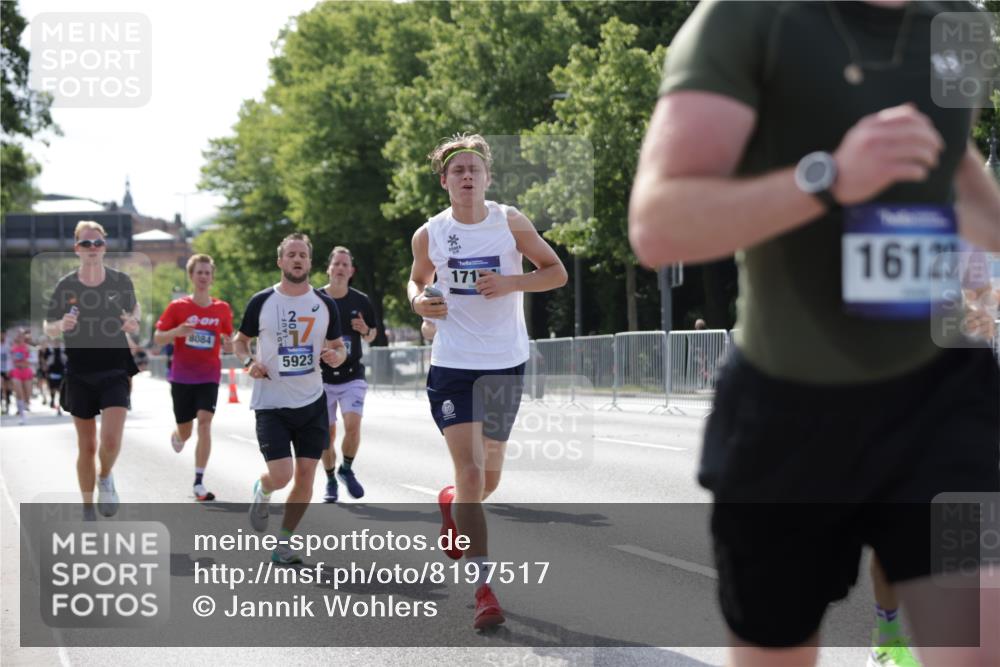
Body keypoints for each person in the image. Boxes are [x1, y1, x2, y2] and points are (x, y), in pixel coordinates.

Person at [630, 2, 1000, 666]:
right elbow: (658, 224)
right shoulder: (748, 19)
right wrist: (831, 176)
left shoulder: (961, 22)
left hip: (941, 398)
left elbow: (958, 174)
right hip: (788, 413)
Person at [408, 133, 567, 629]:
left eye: (475, 168)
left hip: (505, 362)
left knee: (488, 477)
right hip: (453, 364)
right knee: (473, 471)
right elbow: (416, 278)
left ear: (488, 178)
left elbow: (556, 272)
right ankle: (484, 589)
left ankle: (451, 504)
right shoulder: (429, 233)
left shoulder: (509, 222)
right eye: (458, 170)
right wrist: (418, 301)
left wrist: (512, 283)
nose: (468, 176)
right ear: (445, 182)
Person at [234, 232, 347, 564]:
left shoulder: (325, 304)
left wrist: (337, 356)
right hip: (271, 404)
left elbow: (339, 346)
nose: (298, 259)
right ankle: (264, 489)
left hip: (313, 401)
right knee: (282, 475)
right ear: (280, 261)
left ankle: (284, 543)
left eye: (303, 255)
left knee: (306, 477)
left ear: (310, 263)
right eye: (291, 254)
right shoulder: (262, 302)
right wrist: (248, 363)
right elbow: (239, 341)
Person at [44, 220, 141, 517]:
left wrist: (132, 321)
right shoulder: (66, 286)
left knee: (110, 441)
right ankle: (87, 507)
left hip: (114, 367)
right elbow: (48, 328)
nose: (92, 248)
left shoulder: (119, 281)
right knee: (86, 447)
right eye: (86, 243)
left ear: (104, 247)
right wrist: (61, 325)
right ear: (77, 249)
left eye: (97, 243)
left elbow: (134, 310)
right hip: (80, 371)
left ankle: (105, 476)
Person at [154, 254, 234, 502]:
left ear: (212, 277)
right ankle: (178, 435)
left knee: (205, 423)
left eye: (207, 273)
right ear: (191, 276)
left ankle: (199, 481)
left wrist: (230, 343)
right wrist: (178, 331)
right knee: (186, 432)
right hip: (181, 376)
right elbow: (158, 338)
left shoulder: (222, 309)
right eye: (199, 272)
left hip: (209, 375)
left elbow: (229, 340)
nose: (203, 277)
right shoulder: (178, 307)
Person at [318, 246, 378, 503]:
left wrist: (365, 329)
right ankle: (331, 479)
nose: (341, 268)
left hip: (352, 375)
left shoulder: (361, 300)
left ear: (351, 271)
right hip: (320, 378)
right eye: (337, 264)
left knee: (353, 426)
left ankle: (346, 469)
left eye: (346, 264)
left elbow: (372, 334)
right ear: (329, 269)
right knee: (327, 435)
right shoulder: (315, 299)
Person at [9, 330, 34, 425]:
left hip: (27, 372)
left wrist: (26, 362)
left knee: (27, 396)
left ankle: (25, 408)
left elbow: (32, 360)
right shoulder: (12, 348)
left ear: (24, 337)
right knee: (19, 393)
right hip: (16, 372)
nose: (19, 337)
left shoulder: (28, 348)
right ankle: (22, 416)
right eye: (18, 336)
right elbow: (10, 360)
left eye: (21, 336)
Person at [42, 341, 66, 416]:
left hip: (61, 372)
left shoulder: (63, 349)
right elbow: (44, 360)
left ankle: (58, 407)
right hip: (51, 372)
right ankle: (52, 399)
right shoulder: (49, 350)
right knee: (53, 389)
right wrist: (45, 370)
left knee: (60, 390)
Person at [1, 330, 11, 415]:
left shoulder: (8, 345)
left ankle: (8, 405)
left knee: (7, 388)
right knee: (1, 385)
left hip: (7, 370)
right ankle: (1, 406)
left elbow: (10, 358)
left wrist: (9, 369)